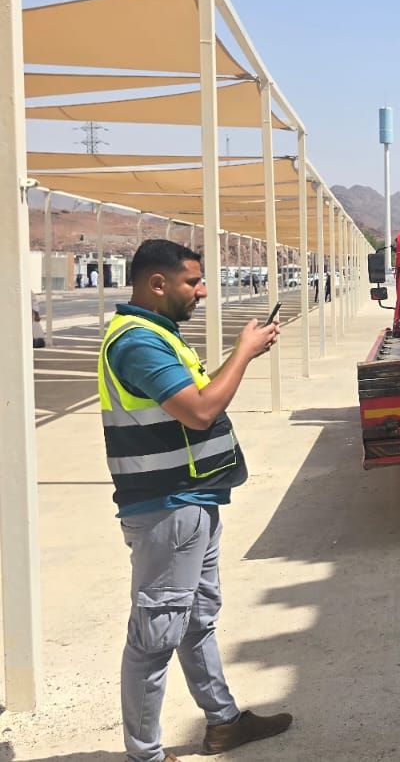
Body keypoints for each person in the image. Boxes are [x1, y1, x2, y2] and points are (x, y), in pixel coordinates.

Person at [99, 239, 292, 761]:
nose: (203, 291)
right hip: (167, 508)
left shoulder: (160, 335)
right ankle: (145, 754)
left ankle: (223, 721)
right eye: (192, 282)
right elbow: (200, 411)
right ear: (156, 284)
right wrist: (244, 352)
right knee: (156, 634)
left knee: (197, 618)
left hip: (194, 500)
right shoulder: (137, 342)